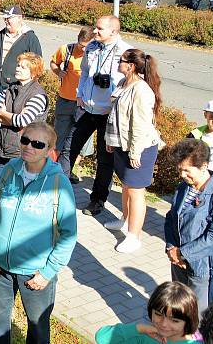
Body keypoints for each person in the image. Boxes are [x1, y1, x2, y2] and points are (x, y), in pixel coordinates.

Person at [0, 121, 77, 344]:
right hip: (0, 266)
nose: (28, 146)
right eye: (25, 140)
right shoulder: (10, 169)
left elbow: (69, 234)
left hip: (35, 273)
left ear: (49, 151)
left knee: (37, 326)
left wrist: (48, 272)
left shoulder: (58, 183)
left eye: (38, 144)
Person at [59, 15, 133, 216]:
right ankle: (57, 191)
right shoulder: (91, 47)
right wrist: (80, 95)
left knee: (104, 159)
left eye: (100, 29)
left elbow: (132, 81)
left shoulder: (125, 52)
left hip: (108, 113)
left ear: (113, 32)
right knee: (68, 149)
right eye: (96, 27)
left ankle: (97, 200)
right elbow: (83, 73)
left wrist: (116, 103)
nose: (95, 31)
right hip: (86, 108)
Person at [103, 48, 163, 253]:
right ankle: (125, 220)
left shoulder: (141, 90)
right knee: (127, 186)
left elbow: (140, 125)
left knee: (136, 191)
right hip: (122, 145)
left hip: (140, 148)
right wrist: (109, 140)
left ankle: (134, 236)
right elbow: (114, 115)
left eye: (120, 61)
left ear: (130, 66)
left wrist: (135, 153)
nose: (117, 63)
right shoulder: (123, 83)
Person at [0, 5, 42, 155]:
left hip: (14, 88)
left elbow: (37, 61)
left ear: (19, 19)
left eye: (9, 18)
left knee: (11, 117)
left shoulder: (30, 37)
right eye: (5, 18)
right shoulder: (1, 34)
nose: (6, 21)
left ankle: (15, 146)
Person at [164, 139, 213, 315]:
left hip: (201, 267)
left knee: (197, 317)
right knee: (178, 311)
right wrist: (171, 247)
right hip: (177, 262)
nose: (182, 175)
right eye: (180, 170)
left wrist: (183, 254)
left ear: (204, 166)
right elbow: (171, 218)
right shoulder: (182, 188)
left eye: (187, 170)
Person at [0, 53, 48, 198]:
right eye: (18, 65)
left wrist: (5, 114)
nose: (18, 68)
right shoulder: (11, 88)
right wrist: (9, 117)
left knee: (13, 193)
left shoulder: (38, 95)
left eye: (23, 67)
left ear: (33, 72)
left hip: (24, 152)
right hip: (4, 147)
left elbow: (23, 121)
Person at [50, 25, 96, 183]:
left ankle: (68, 171)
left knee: (76, 141)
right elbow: (53, 63)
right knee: (58, 138)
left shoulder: (96, 55)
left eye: (86, 46)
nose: (82, 49)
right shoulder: (66, 49)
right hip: (65, 100)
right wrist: (58, 72)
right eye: (80, 45)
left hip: (83, 104)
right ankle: (51, 169)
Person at [95, 281, 201, 344]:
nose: (164, 324)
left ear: (189, 320)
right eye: (158, 315)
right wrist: (139, 328)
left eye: (174, 320)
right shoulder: (147, 336)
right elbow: (102, 338)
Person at [187, 100, 213, 171]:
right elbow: (184, 158)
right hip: (199, 177)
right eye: (212, 116)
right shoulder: (194, 135)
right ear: (205, 115)